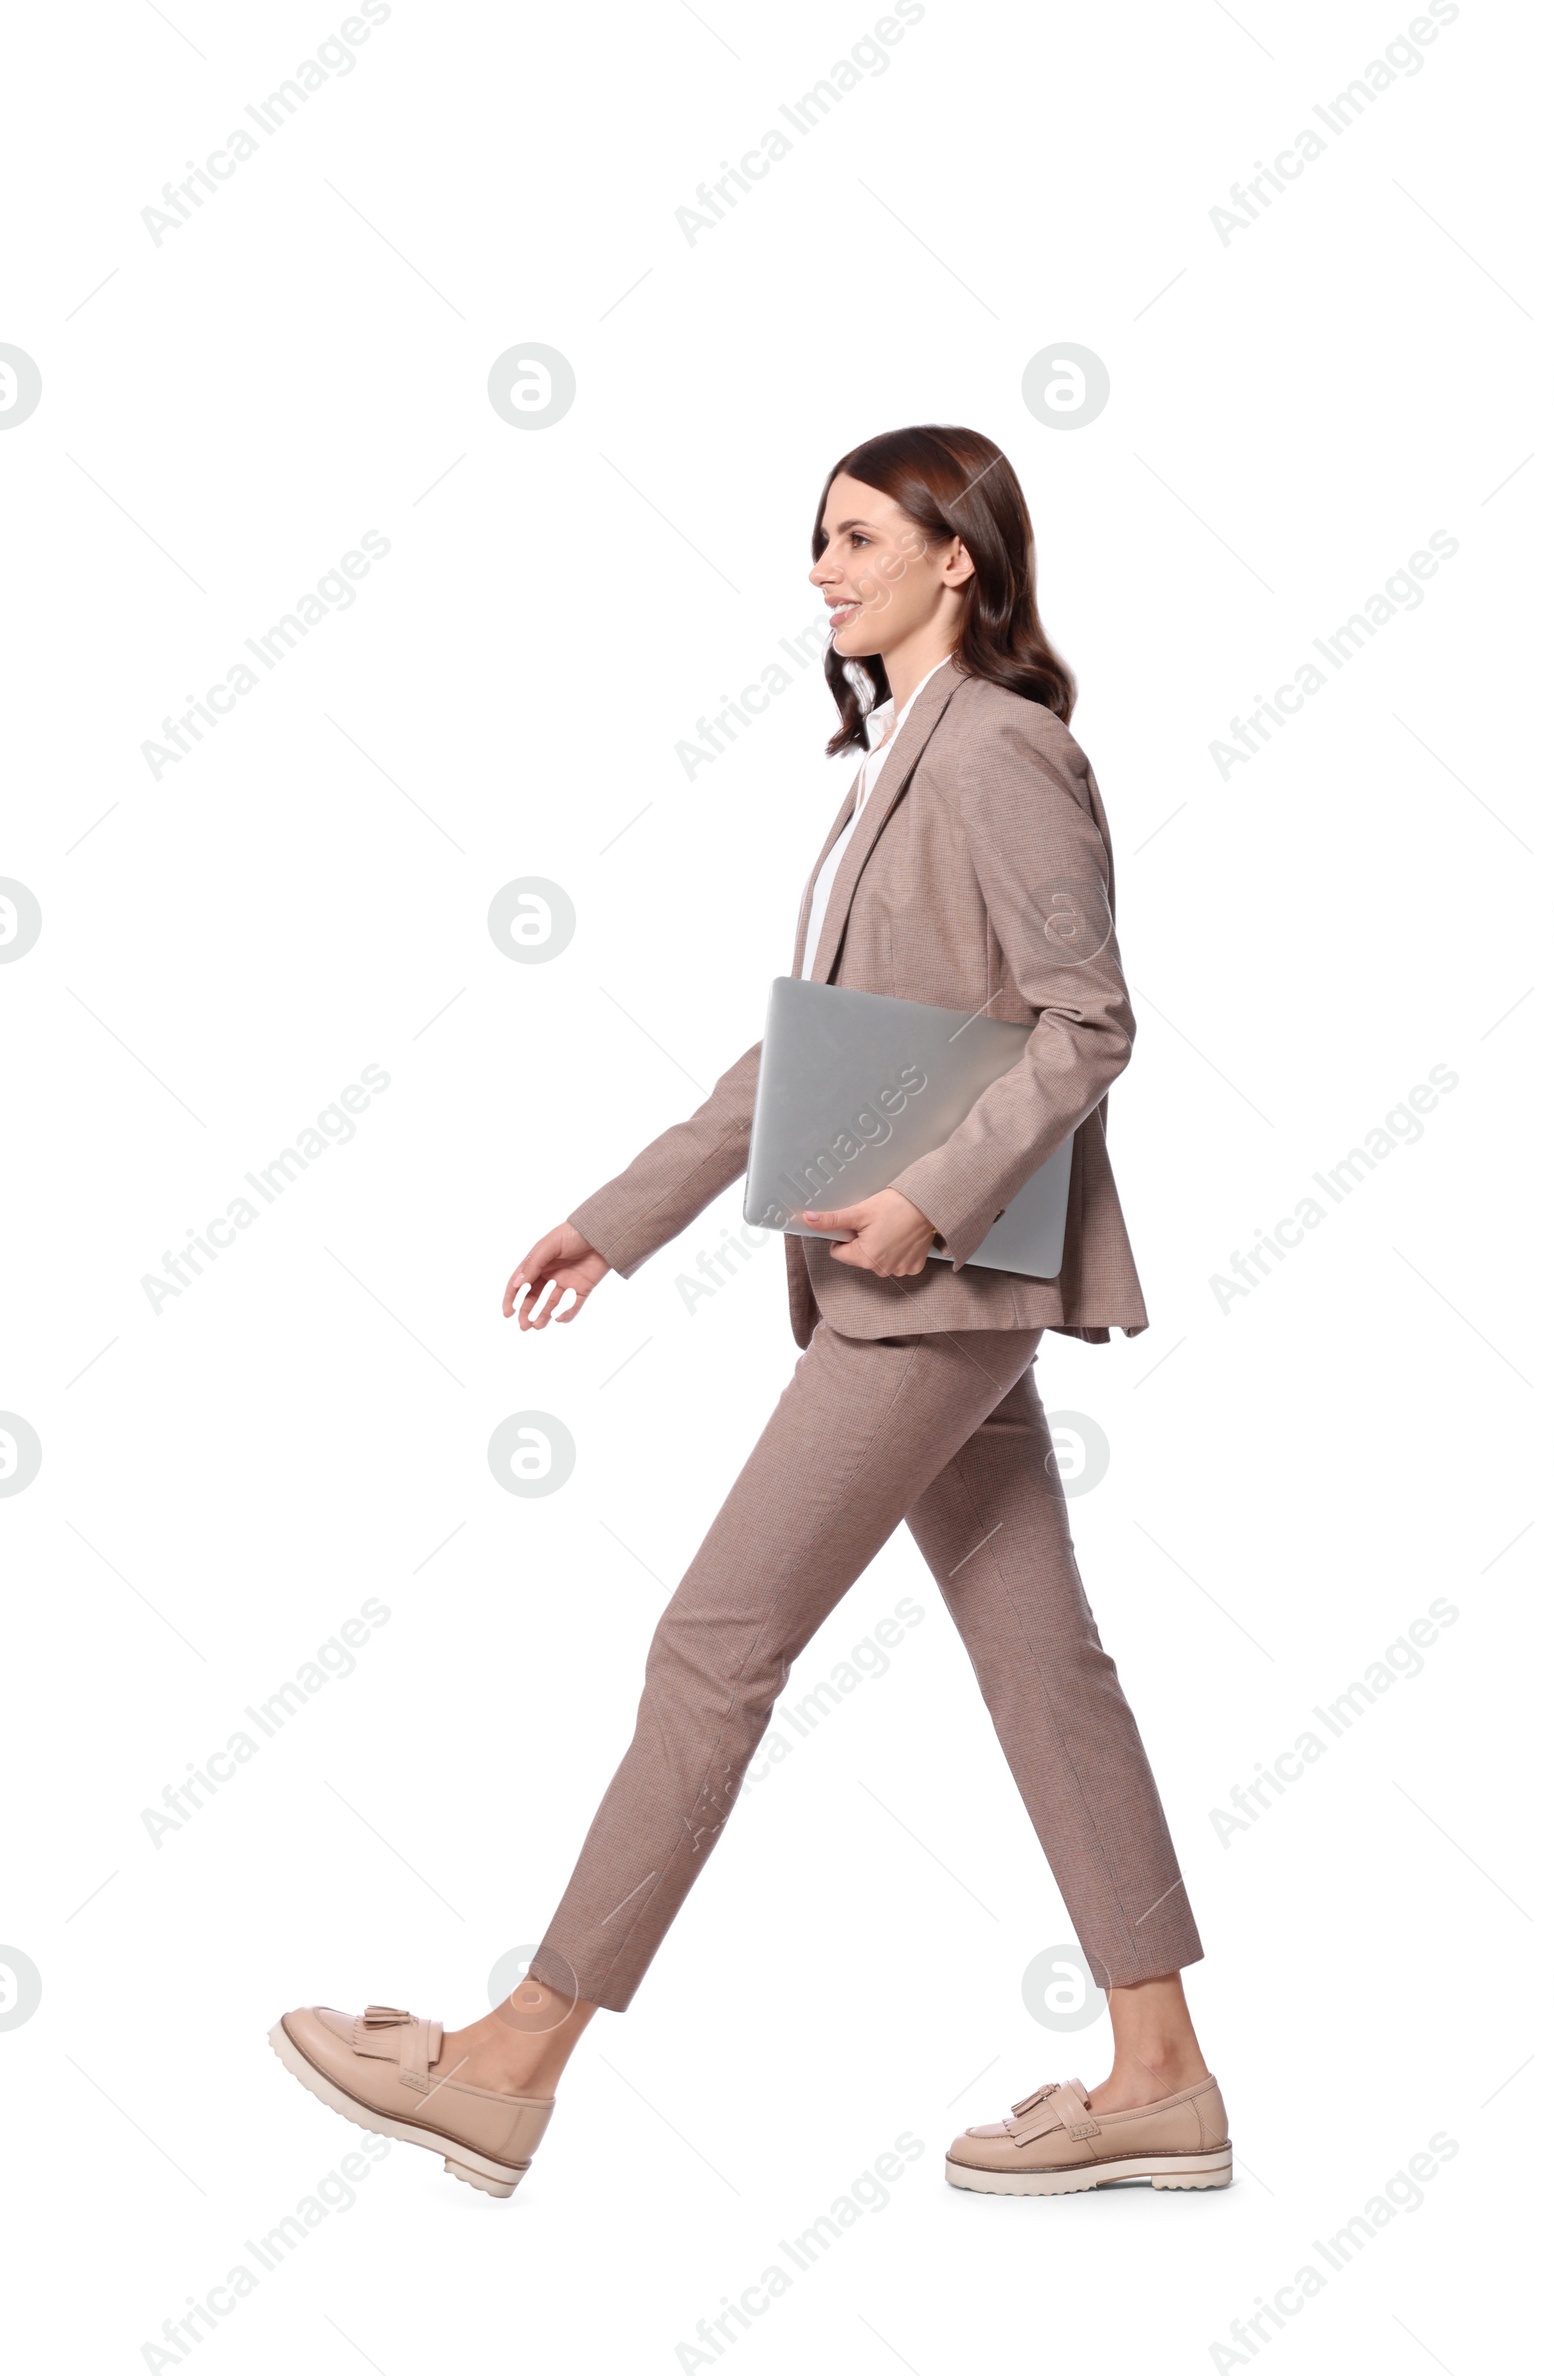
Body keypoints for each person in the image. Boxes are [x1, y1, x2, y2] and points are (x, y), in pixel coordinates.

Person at [270, 424, 1231, 2202]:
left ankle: (515, 2055)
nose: (821, 568)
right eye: (816, 541)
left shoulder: (1006, 751)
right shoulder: (892, 763)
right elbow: (804, 1058)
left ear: (962, 556)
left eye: (856, 536)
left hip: (929, 1295)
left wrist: (930, 1198)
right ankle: (1162, 2070)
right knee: (1046, 1673)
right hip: (932, 1289)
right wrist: (618, 1219)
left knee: (714, 1649)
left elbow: (1086, 1024)